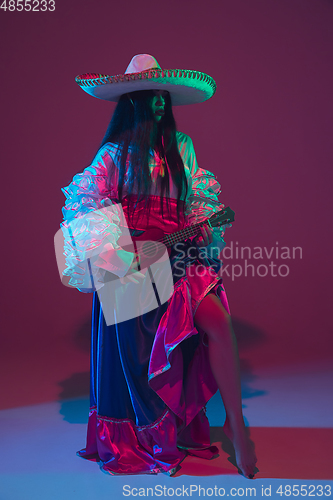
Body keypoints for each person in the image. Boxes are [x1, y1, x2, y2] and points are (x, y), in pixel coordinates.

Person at [61, 54, 258, 478]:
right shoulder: (114, 154)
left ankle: (237, 425)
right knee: (141, 354)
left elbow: (194, 206)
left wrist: (200, 227)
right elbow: (84, 203)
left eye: (162, 97)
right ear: (132, 101)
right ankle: (148, 432)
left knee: (219, 322)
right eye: (150, 97)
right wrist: (120, 250)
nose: (158, 105)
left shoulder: (181, 148)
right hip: (135, 267)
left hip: (180, 257)